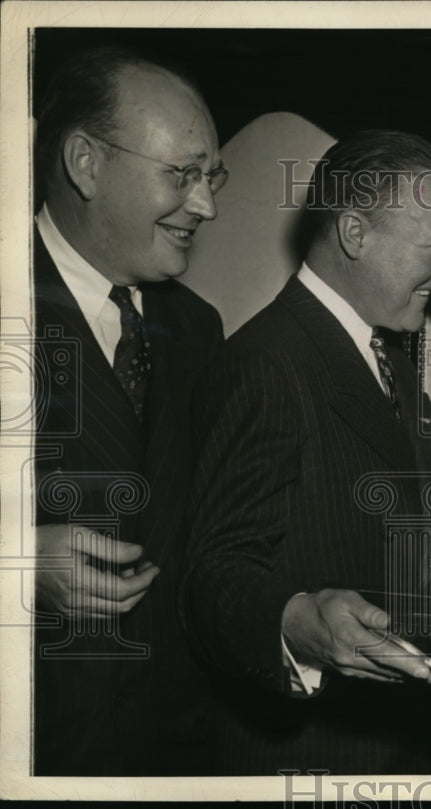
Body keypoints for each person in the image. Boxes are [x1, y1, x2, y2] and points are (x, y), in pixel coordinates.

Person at [182, 130, 431, 774]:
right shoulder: (263, 365)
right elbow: (213, 579)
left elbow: (421, 549)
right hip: (306, 760)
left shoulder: (393, 362)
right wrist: (293, 622)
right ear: (354, 234)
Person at [31, 46, 226, 775]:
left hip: (171, 752)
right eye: (182, 174)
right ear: (86, 161)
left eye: (212, 176)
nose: (206, 205)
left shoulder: (199, 330)